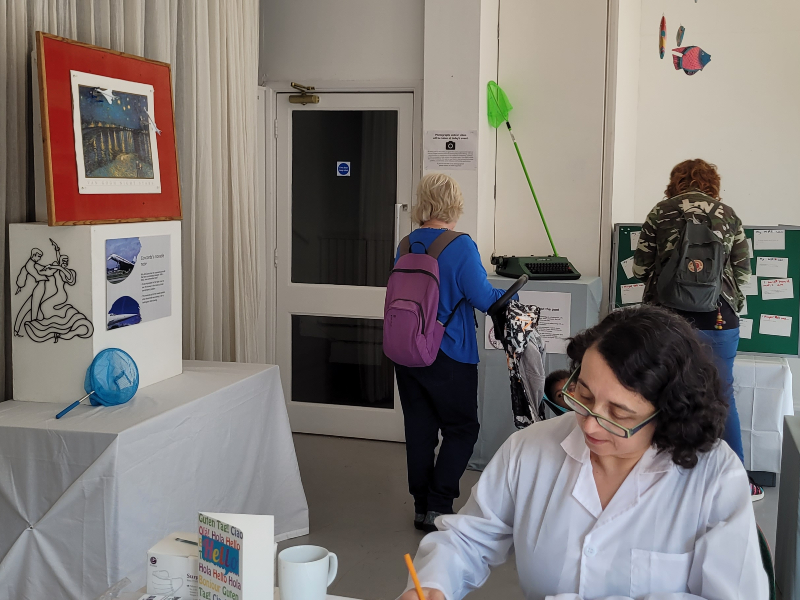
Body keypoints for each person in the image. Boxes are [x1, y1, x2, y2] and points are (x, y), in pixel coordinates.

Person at [399, 305, 768, 600]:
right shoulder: (531, 449)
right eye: (584, 396)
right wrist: (432, 584)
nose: (589, 425)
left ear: (670, 413)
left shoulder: (713, 476)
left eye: (620, 414)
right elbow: (467, 539)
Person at [632, 159, 761, 500]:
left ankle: (659, 479)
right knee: (721, 395)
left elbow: (639, 268)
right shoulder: (728, 215)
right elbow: (744, 274)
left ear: (674, 182)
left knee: (660, 393)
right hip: (719, 317)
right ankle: (739, 483)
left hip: (666, 318)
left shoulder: (661, 212)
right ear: (713, 183)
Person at [393, 173, 509, 533]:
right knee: (461, 428)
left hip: (407, 350)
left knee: (420, 430)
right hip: (450, 352)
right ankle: (440, 505)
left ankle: (420, 506)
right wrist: (514, 296)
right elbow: (483, 298)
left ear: (422, 202)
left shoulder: (406, 244)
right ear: (455, 203)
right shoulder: (459, 244)